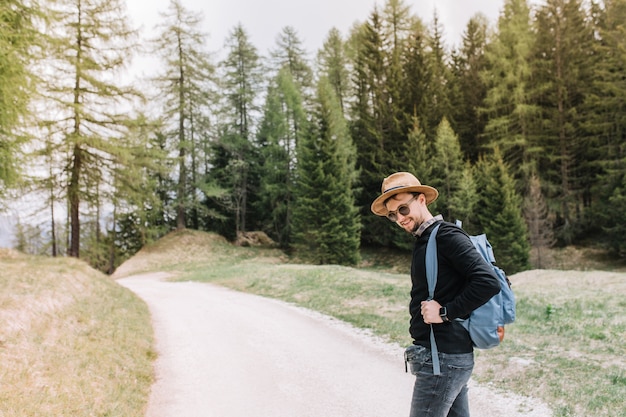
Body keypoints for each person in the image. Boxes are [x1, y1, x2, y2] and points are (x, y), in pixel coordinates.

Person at [370, 172, 501, 417]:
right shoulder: (426, 239)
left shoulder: (445, 236)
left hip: (443, 359)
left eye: (403, 209)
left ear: (422, 200)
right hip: (446, 357)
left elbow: (488, 282)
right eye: (392, 214)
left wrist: (445, 312)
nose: (399, 218)